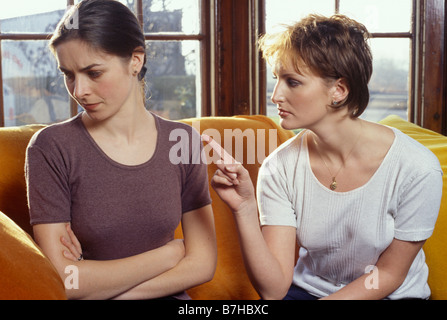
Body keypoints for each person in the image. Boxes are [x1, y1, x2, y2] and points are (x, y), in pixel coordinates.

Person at [204, 14, 443, 300]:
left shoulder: (418, 167)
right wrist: (244, 208)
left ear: (338, 91)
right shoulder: (279, 167)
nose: (275, 96)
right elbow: (273, 288)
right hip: (309, 293)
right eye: (277, 79)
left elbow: (389, 274)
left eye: (292, 82)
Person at [25, 0, 216, 300]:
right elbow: (67, 281)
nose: (79, 91)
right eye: (69, 74)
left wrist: (110, 291)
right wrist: (168, 255)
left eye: (94, 72)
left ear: (135, 61)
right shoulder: (51, 148)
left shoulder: (183, 141)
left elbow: (203, 264)